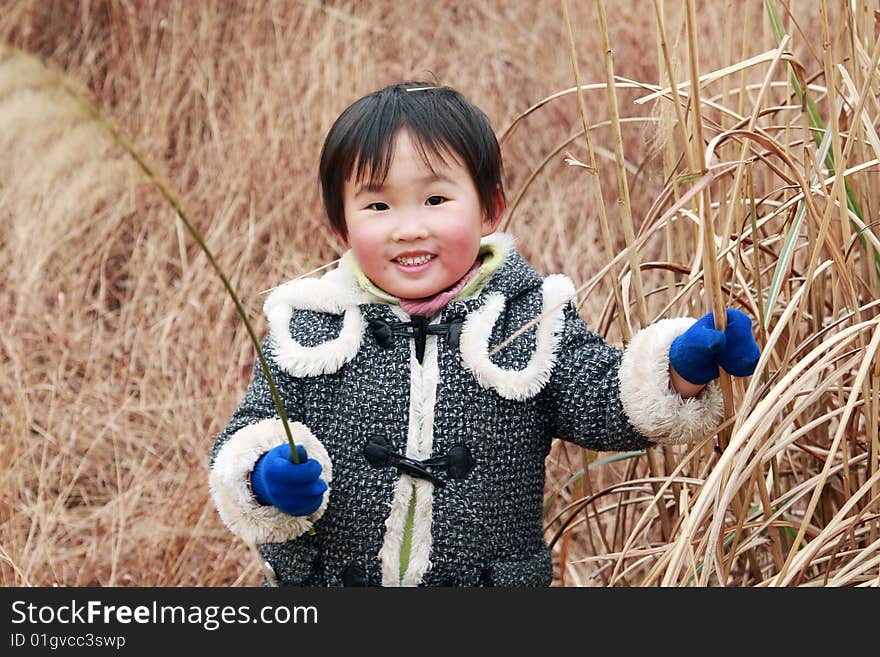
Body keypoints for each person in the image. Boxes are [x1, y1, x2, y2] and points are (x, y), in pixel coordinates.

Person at [208, 81, 760, 587]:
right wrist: (263, 478)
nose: (408, 227)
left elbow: (603, 397)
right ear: (341, 226)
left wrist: (680, 366)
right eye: (377, 205)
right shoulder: (311, 326)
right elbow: (250, 428)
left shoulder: (528, 319)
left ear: (490, 208)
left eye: (435, 199)